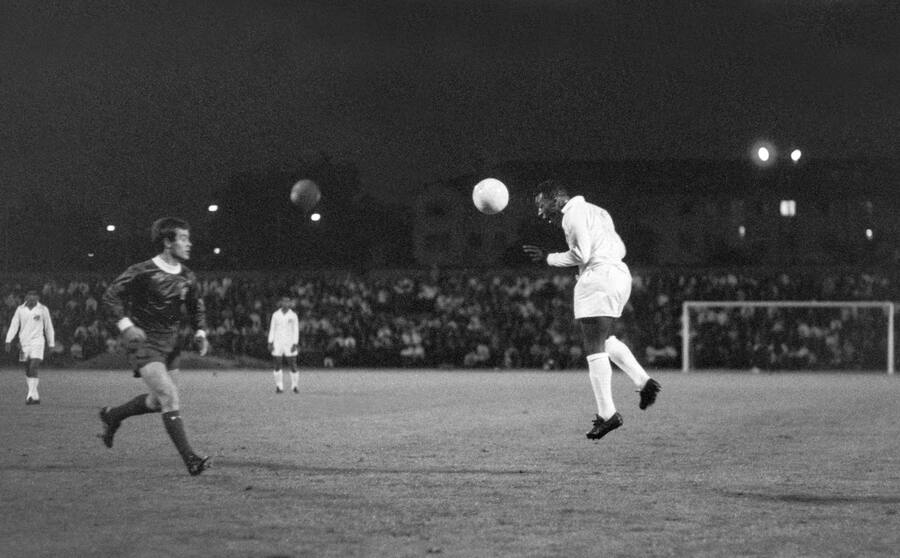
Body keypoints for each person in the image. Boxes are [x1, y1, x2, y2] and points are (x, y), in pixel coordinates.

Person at [523, 180, 661, 441]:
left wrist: (548, 258)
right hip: (619, 274)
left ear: (558, 199)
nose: (541, 213)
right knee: (604, 340)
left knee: (594, 348)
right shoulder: (597, 211)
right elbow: (617, 247)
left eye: (543, 206)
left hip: (599, 276)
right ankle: (644, 382)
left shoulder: (571, 216)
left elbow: (582, 254)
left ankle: (608, 414)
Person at [98, 217, 211, 476]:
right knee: (170, 396)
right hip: (144, 344)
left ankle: (113, 415)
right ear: (167, 242)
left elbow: (196, 307)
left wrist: (200, 332)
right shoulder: (142, 271)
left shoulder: (187, 277)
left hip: (171, 346)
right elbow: (110, 295)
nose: (189, 243)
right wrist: (126, 326)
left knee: (159, 401)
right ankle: (191, 460)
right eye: (183, 238)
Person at [5, 289, 55, 405]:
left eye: (35, 295)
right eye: (30, 295)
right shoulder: (20, 309)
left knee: (33, 366)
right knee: (27, 368)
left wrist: (51, 343)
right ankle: (35, 395)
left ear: (38, 297)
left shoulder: (43, 309)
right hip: (23, 344)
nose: (32, 297)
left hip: (38, 342)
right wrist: (8, 340)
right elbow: (14, 325)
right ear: (26, 296)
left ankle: (29, 396)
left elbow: (48, 327)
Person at [267, 294, 300, 393]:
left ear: (290, 303)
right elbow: (272, 328)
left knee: (292, 364)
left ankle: (294, 385)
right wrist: (270, 342)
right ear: (281, 303)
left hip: (289, 342)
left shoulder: (293, 315)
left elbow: (296, 330)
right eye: (284, 301)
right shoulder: (275, 314)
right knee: (277, 364)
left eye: (287, 301)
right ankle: (279, 386)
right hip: (277, 342)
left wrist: (295, 343)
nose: (285, 303)